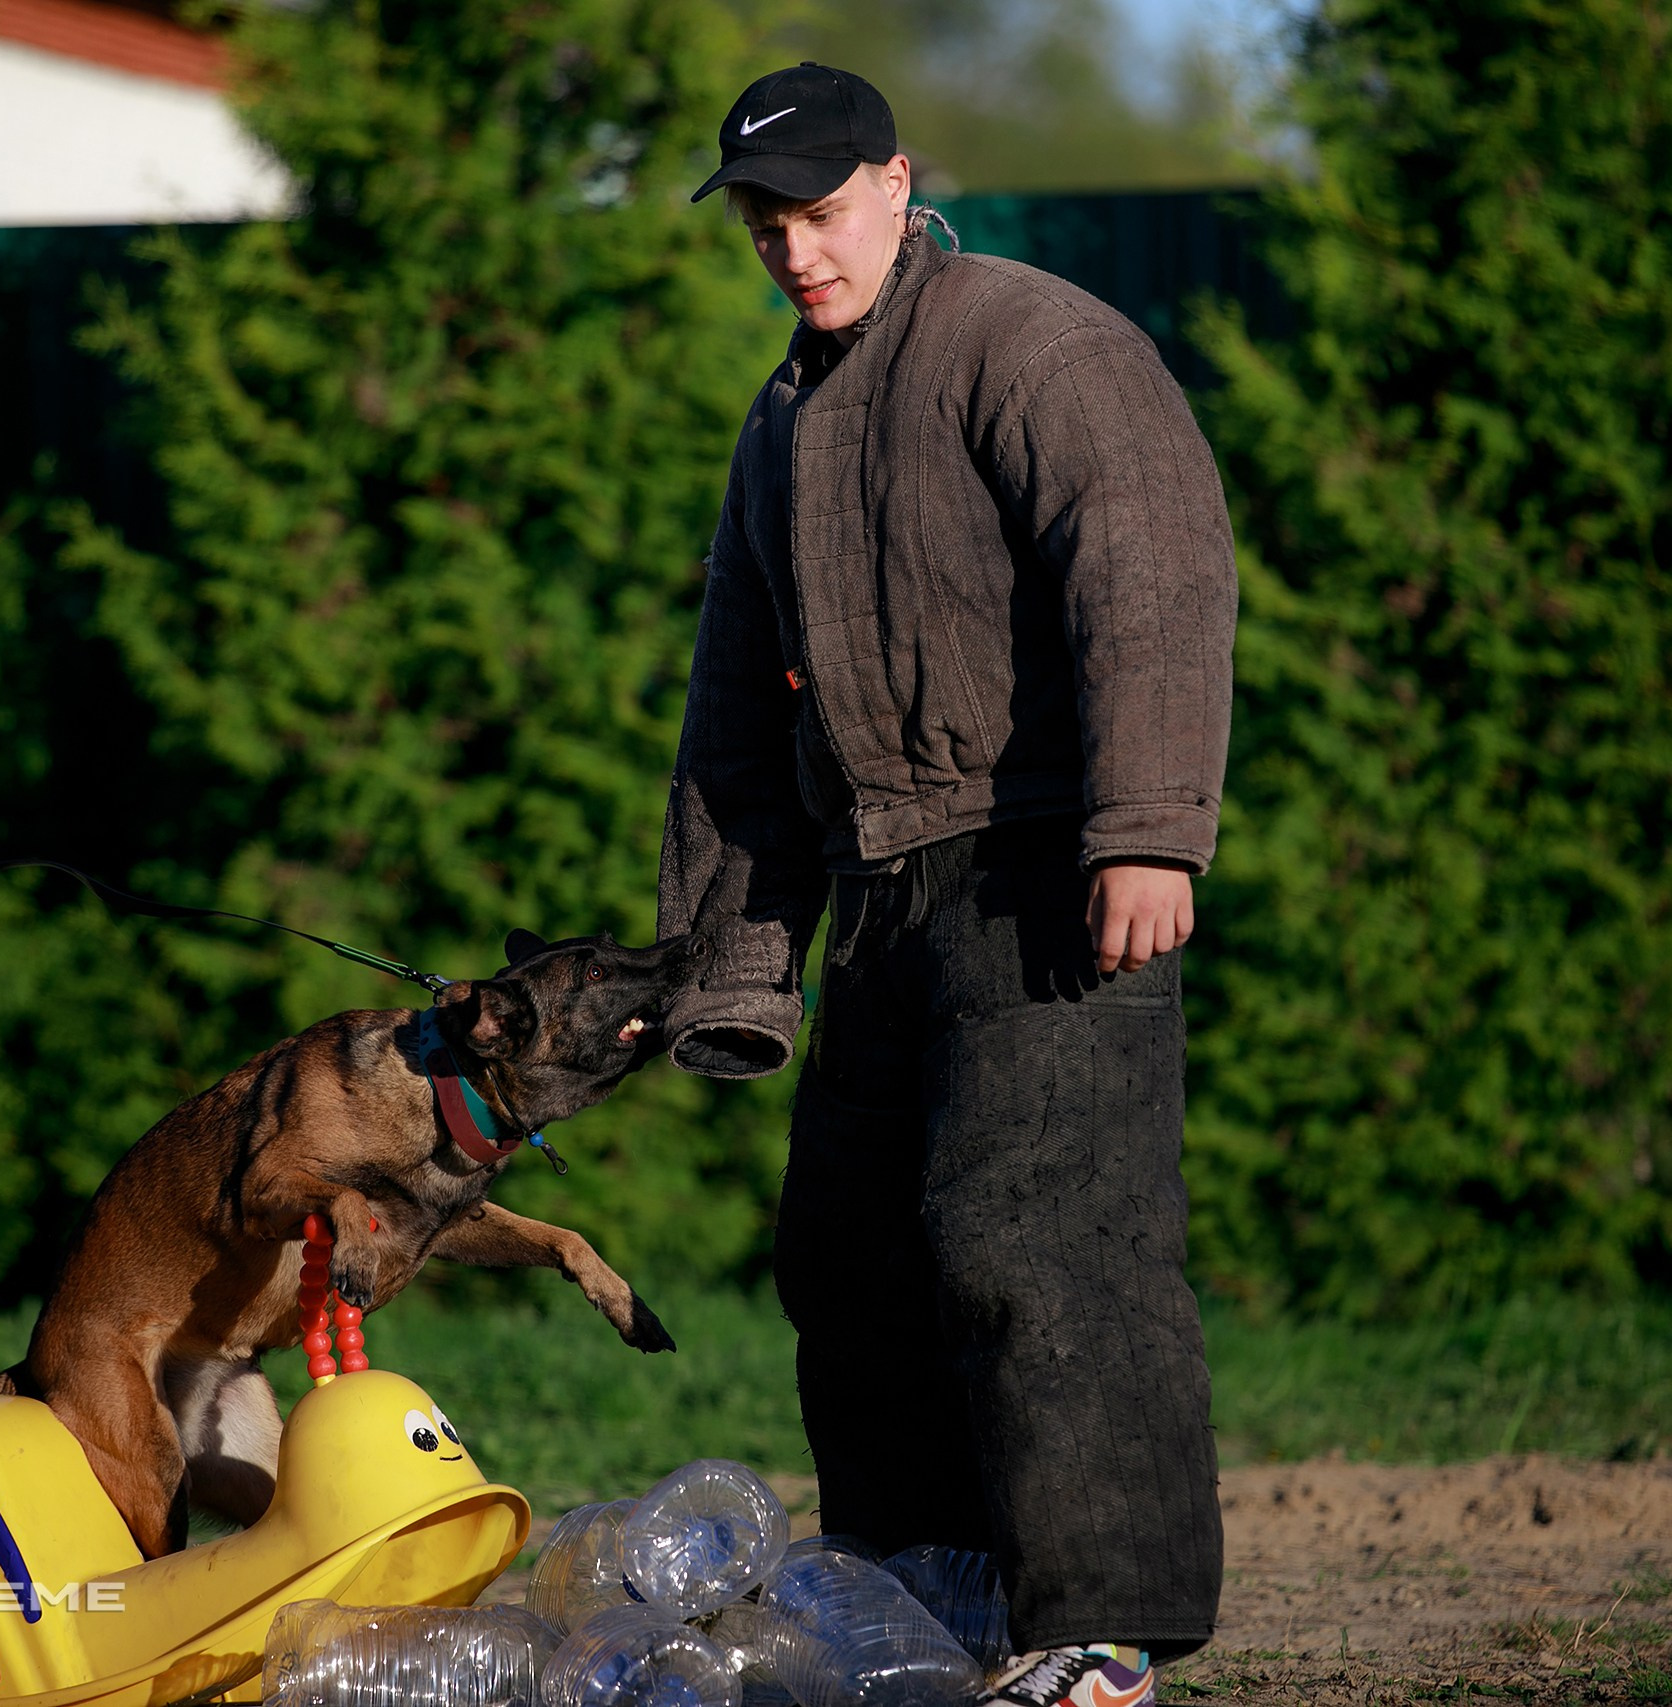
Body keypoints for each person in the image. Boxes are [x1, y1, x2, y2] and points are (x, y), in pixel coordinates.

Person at [654, 61, 1237, 1707]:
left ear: (899, 185)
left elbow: (1156, 566)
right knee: (847, 1259)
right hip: (884, 897)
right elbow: (731, 719)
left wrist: (1146, 827)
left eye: (821, 212)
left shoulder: (1032, 342)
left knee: (1040, 1243)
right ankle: (930, 1607)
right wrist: (727, 967)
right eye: (767, 221)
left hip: (1048, 864)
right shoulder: (779, 427)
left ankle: (1103, 1632)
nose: (793, 248)